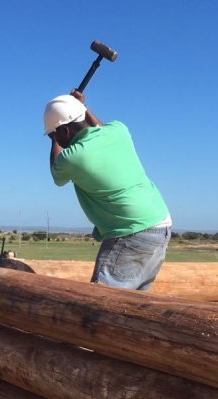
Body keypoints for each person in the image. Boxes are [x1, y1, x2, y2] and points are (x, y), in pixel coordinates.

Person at [44, 90, 172, 290]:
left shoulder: (73, 157)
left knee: (101, 306)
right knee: (129, 306)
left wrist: (53, 140)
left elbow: (56, 174)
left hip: (130, 231)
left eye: (58, 135)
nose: (58, 140)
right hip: (160, 225)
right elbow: (100, 129)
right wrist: (83, 108)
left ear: (65, 131)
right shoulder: (119, 130)